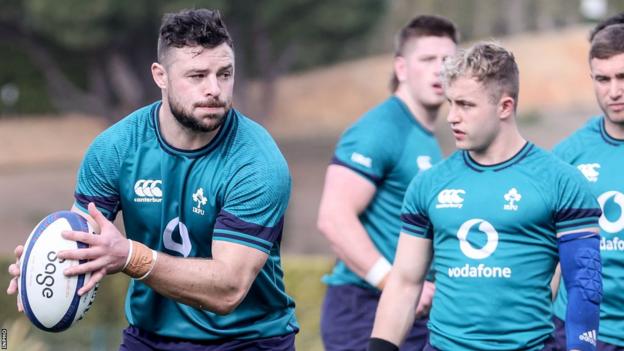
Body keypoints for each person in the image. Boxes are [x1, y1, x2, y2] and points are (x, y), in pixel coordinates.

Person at [7, 8, 298, 350]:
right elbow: (86, 237)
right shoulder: (116, 148)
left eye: (225, 74)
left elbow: (229, 289)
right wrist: (47, 265)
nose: (214, 89)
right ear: (160, 76)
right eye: (197, 75)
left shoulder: (256, 161)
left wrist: (130, 256)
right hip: (149, 339)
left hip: (249, 341)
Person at [367, 42, 602, 351]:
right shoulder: (428, 184)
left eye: (466, 105)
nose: (452, 116)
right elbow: (405, 283)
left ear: (505, 106)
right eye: (450, 103)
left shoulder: (563, 182)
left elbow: (583, 286)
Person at [316, 15, 457, 351]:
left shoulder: (425, 135)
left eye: (448, 61)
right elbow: (333, 217)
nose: (440, 69)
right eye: (427, 59)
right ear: (402, 68)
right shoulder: (380, 129)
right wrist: (392, 281)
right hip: (365, 310)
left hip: (410, 308)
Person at [552, 17, 624, 351]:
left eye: (623, 77)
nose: (614, 91)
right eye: (603, 79)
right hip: (581, 332)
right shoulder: (568, 155)